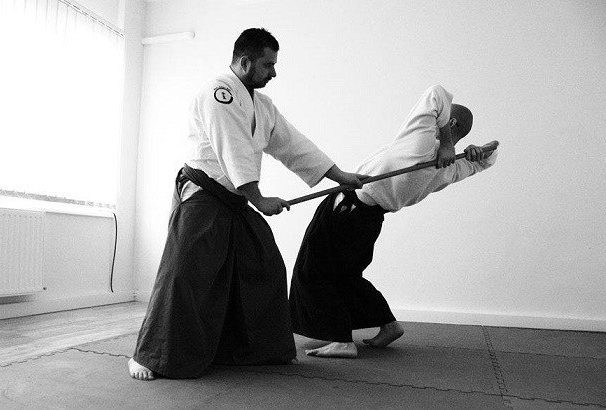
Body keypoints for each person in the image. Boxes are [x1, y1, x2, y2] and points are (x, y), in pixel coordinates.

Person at [128, 28, 366, 379]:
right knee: (185, 273)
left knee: (264, 264)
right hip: (204, 196)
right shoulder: (219, 93)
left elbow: (294, 145)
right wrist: (258, 199)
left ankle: (249, 350)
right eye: (268, 65)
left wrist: (339, 175)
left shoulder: (263, 106)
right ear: (244, 62)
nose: (274, 72)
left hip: (234, 201)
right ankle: (149, 356)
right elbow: (233, 147)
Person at [289, 84, 499, 358]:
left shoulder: (423, 146)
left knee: (315, 271)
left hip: (350, 211)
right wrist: (478, 152)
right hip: (367, 217)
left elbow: (436, 93)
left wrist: (449, 143)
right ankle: (388, 325)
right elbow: (486, 160)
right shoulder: (453, 167)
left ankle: (341, 341)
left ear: (450, 122)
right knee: (346, 275)